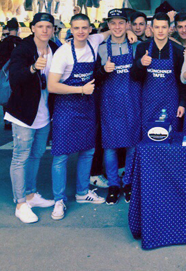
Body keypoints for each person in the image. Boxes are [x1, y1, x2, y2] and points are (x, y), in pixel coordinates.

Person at [47, 14, 135, 220]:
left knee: (88, 151)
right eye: (76, 28)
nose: (81, 32)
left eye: (84, 28)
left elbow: (113, 31)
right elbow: (52, 86)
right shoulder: (63, 53)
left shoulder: (94, 41)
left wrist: (129, 30)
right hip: (66, 107)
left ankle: (81, 192)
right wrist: (80, 90)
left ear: (90, 29)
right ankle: (58, 200)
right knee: (61, 154)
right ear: (71, 29)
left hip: (87, 106)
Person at [5, 12, 59, 223]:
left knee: (37, 154)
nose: (45, 30)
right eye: (41, 26)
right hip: (23, 113)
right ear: (33, 28)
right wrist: (31, 68)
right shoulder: (23, 49)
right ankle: (20, 203)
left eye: (49, 26)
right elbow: (15, 78)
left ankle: (30, 194)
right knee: (21, 156)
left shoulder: (55, 48)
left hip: (44, 113)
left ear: (53, 29)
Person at [97, 9, 142, 205]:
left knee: (132, 144)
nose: (117, 27)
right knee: (110, 146)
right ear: (108, 25)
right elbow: (95, 77)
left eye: (121, 23)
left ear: (127, 25)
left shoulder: (136, 46)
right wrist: (102, 70)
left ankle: (129, 182)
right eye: (113, 23)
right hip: (110, 101)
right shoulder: (100, 48)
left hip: (132, 99)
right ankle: (113, 185)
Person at [132, 12, 186, 135]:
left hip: (171, 103)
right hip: (148, 103)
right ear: (151, 29)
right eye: (157, 27)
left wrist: (182, 103)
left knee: (169, 139)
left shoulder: (178, 50)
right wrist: (140, 63)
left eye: (164, 27)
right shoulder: (142, 48)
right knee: (149, 139)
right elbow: (135, 77)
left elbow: (182, 81)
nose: (160, 31)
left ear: (169, 29)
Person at [0, 18, 22, 130]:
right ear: (18, 29)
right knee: (17, 97)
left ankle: (7, 120)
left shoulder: (0, 45)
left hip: (3, 76)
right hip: (18, 76)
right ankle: (16, 119)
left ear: (8, 29)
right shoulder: (22, 43)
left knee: (6, 97)